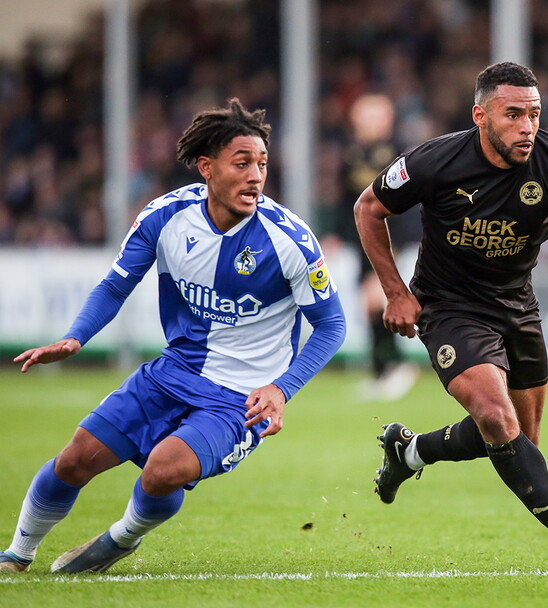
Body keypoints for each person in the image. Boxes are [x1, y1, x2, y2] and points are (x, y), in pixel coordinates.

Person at [0, 98, 346, 574]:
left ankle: (120, 539)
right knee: (76, 458)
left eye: (262, 164)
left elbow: (332, 325)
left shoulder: (289, 239)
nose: (255, 176)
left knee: (165, 469)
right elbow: (116, 284)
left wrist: (282, 390)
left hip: (240, 398)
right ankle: (17, 554)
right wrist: (76, 337)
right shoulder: (166, 216)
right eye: (241, 163)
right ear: (207, 167)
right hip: (173, 371)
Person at [353, 62, 548, 574]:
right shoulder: (435, 161)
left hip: (517, 307)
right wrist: (395, 293)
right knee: (496, 418)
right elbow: (368, 208)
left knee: (517, 443)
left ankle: (410, 451)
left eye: (534, 114)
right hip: (448, 306)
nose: (527, 126)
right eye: (513, 114)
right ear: (480, 115)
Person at [335, 93, 420, 400]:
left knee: (377, 301)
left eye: (374, 116)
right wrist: (334, 233)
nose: (368, 122)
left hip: (390, 239)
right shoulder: (351, 154)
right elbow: (346, 201)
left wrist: (396, 245)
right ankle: (381, 370)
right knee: (368, 305)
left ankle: (397, 365)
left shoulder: (398, 153)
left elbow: (407, 204)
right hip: (361, 241)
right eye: (363, 116)